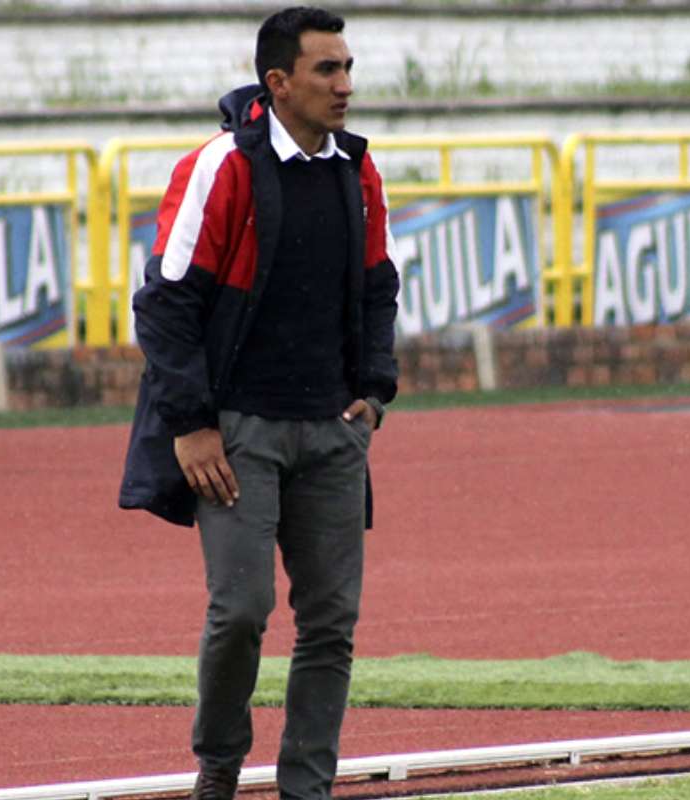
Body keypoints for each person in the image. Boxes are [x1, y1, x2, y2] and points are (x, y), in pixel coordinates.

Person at [118, 6, 400, 800]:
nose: (345, 85)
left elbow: (379, 288)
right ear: (278, 82)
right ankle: (218, 765)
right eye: (327, 70)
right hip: (238, 432)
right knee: (241, 609)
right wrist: (193, 426)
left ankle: (306, 786)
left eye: (347, 68)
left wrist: (375, 393)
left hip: (334, 431)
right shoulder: (223, 167)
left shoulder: (358, 168)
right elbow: (166, 304)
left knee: (330, 625)